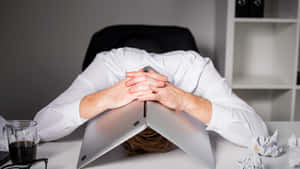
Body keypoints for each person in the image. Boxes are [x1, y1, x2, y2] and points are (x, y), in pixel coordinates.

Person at [34, 47, 268, 147]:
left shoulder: (196, 69)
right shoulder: (108, 65)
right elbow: (37, 129)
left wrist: (186, 100)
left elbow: (259, 135)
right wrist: (105, 98)